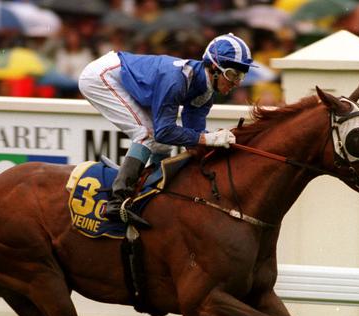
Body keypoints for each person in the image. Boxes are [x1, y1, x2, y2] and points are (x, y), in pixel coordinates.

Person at [78, 33, 254, 227]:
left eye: (241, 76)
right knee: (147, 135)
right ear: (214, 68)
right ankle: (116, 202)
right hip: (100, 75)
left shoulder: (206, 92)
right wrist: (209, 139)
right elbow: (165, 132)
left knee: (161, 146)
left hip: (125, 77)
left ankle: (151, 196)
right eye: (232, 74)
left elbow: (193, 141)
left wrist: (217, 149)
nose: (237, 83)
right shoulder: (176, 81)